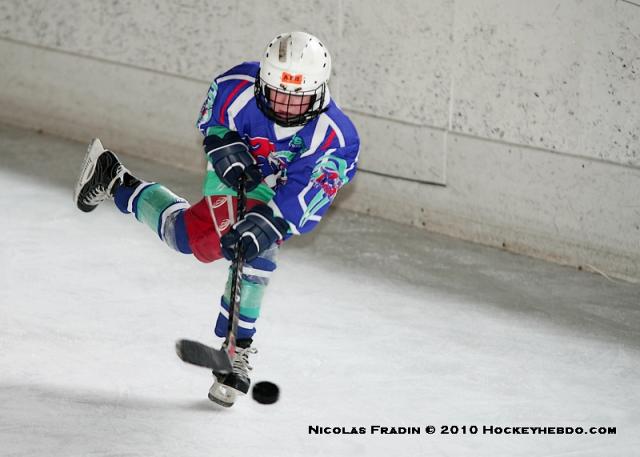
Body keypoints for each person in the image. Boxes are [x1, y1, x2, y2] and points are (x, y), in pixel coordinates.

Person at [74, 31, 360, 407]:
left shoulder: (338, 138)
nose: (288, 106)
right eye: (278, 94)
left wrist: (272, 222)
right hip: (236, 178)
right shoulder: (238, 84)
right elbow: (215, 116)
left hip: (281, 195)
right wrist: (223, 141)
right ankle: (236, 351)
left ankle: (114, 180)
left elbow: (312, 194)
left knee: (190, 238)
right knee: (257, 253)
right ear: (262, 82)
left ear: (320, 92)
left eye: (299, 97)